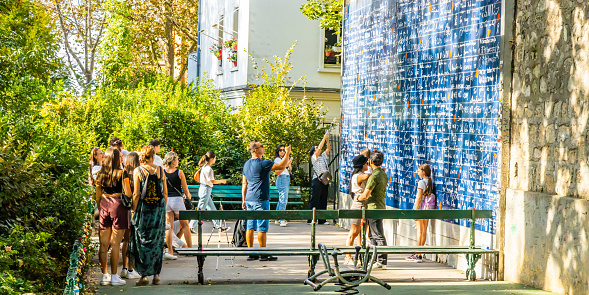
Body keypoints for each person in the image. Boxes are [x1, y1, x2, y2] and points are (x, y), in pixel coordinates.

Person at [242, 141, 291, 261]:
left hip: (249, 199)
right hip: (261, 199)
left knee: (250, 226)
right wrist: (287, 153)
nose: (264, 148)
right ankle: (263, 253)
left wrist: (243, 200)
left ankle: (250, 252)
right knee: (262, 227)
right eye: (261, 146)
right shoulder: (264, 163)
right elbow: (280, 166)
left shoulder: (246, 164)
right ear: (256, 150)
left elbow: (244, 183)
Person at [127, 146, 167, 286]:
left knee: (142, 240)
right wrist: (162, 208)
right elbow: (165, 192)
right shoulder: (160, 170)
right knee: (157, 241)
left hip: (144, 209)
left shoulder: (138, 170)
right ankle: (157, 275)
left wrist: (133, 209)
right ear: (153, 156)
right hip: (158, 209)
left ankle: (144, 276)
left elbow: (136, 193)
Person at [95, 148, 133, 286]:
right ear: (117, 159)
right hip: (118, 206)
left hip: (104, 204)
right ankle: (115, 276)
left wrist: (100, 208)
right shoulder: (122, 173)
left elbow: (97, 195)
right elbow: (128, 193)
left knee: (103, 243)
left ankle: (104, 275)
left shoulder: (100, 174)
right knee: (116, 243)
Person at [357, 150, 388, 269]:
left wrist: (358, 197)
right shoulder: (383, 174)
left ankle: (381, 261)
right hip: (379, 206)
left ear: (370, 161)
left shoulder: (374, 176)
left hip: (373, 207)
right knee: (373, 235)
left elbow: (366, 194)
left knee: (377, 235)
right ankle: (376, 259)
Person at [163, 151, 193, 259]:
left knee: (169, 227)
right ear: (173, 161)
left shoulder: (162, 172)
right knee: (185, 225)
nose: (178, 161)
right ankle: (190, 249)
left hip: (167, 200)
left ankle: (170, 251)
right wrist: (188, 196)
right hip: (177, 200)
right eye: (177, 159)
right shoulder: (179, 172)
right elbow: (185, 190)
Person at [190, 151, 229, 231]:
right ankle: (190, 226)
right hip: (206, 189)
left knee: (212, 209)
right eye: (215, 158)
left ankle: (219, 226)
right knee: (200, 209)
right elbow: (211, 181)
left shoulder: (204, 167)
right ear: (211, 159)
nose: (215, 160)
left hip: (204, 189)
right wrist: (222, 181)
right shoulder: (208, 169)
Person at [344, 154, 371, 265]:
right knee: (353, 233)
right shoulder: (358, 176)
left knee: (362, 233)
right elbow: (367, 176)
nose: (367, 164)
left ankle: (359, 256)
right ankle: (348, 256)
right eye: (366, 163)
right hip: (358, 205)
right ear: (361, 165)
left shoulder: (361, 174)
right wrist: (376, 169)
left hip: (364, 205)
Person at [406, 164, 436, 263]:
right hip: (428, 209)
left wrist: (415, 210)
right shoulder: (430, 182)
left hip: (420, 209)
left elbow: (419, 198)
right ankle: (421, 253)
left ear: (423, 172)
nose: (417, 173)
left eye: (418, 171)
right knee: (424, 231)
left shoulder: (421, 182)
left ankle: (417, 254)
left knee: (419, 231)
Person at [120, 152, 141, 280]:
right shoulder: (138, 173)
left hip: (124, 207)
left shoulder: (123, 173)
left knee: (126, 240)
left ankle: (124, 268)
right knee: (134, 240)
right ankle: (131, 269)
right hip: (135, 208)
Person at [309, 132, 331, 224]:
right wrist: (323, 138)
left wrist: (327, 139)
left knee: (323, 199)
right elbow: (319, 149)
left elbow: (328, 149)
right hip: (317, 180)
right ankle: (310, 218)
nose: (318, 149)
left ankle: (322, 219)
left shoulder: (323, 156)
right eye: (316, 148)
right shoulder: (314, 157)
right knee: (315, 199)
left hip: (324, 180)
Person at [273, 145, 293, 227]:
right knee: (283, 199)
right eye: (280, 150)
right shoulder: (277, 159)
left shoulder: (284, 159)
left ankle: (277, 218)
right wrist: (286, 164)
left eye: (284, 150)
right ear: (278, 151)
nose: (282, 151)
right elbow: (277, 172)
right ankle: (281, 219)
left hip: (286, 178)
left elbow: (289, 169)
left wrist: (289, 163)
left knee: (281, 199)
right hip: (282, 178)